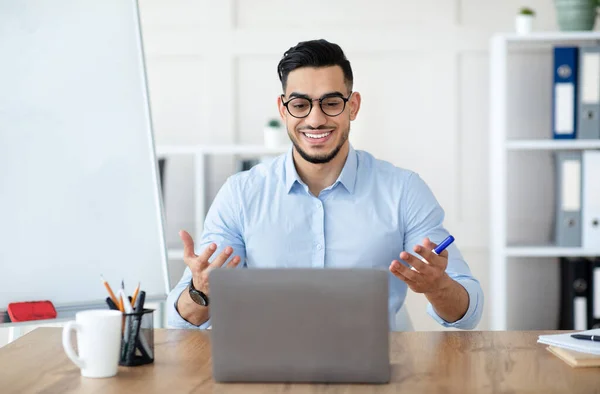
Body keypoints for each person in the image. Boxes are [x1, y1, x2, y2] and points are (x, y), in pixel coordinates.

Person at [166, 39, 484, 331]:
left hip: (383, 375)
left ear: (353, 106)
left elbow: (468, 314)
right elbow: (180, 321)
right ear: (282, 109)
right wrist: (200, 291)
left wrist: (437, 286)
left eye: (331, 102)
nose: (315, 119)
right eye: (300, 105)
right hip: (268, 373)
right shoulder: (241, 194)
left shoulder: (403, 191)